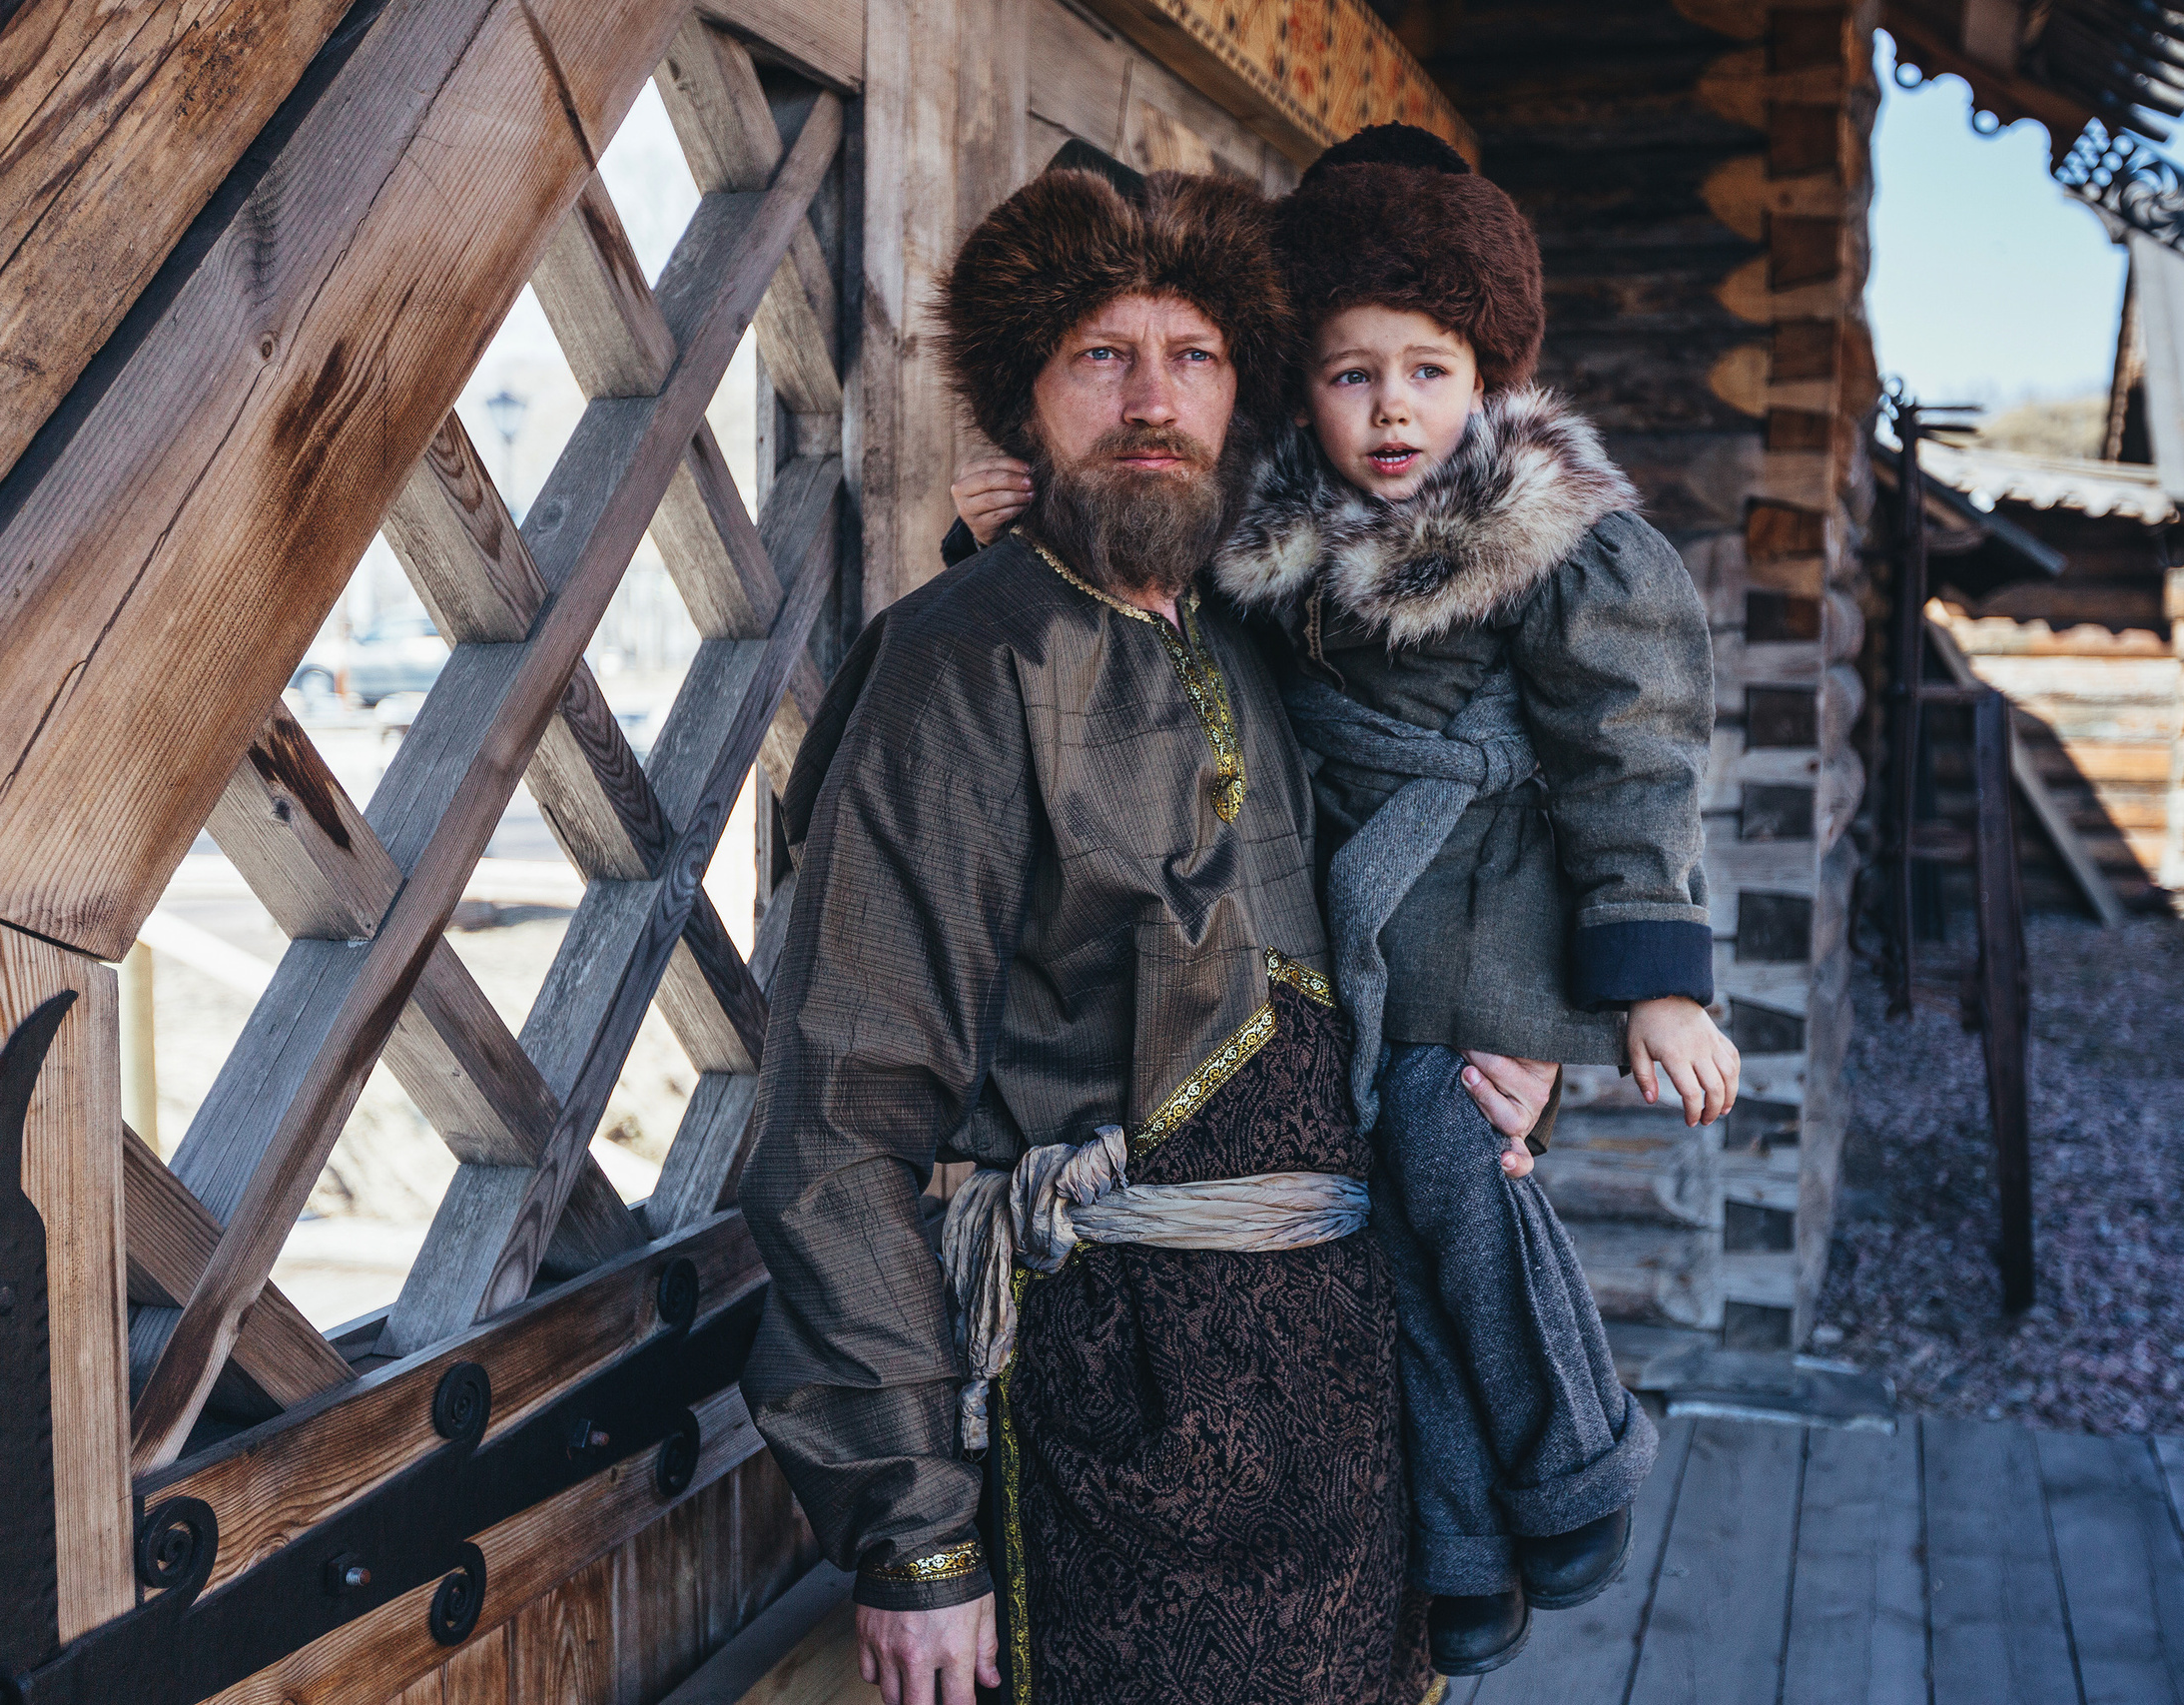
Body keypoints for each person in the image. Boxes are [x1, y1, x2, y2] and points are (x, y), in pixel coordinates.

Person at [740, 151, 1554, 1705]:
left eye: (1195, 355)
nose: (1153, 401)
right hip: (1100, 1412)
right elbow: (835, 1126)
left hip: (1345, 1408)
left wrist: (1519, 1051)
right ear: (1026, 399)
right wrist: (916, 1540)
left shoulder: (1272, 641)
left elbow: (1467, 857)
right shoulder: (958, 665)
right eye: (1101, 356)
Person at [951, 125, 1738, 1678]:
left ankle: (1576, 1443)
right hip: (1353, 944)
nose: (1392, 409)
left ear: (1489, 379)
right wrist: (1033, 513)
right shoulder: (1263, 533)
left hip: (1483, 919)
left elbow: (1633, 752)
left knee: (1452, 1155)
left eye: (1430, 371)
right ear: (1296, 384)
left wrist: (1653, 984)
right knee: (1383, 1244)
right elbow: (1138, 597)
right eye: (1351, 373)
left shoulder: (1552, 537)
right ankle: (1463, 1554)